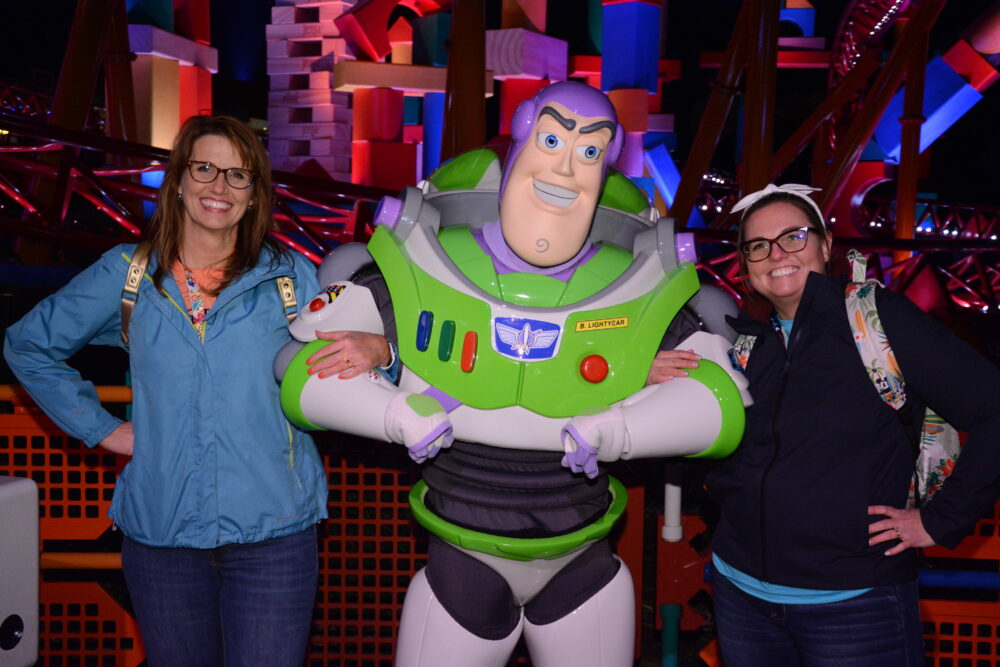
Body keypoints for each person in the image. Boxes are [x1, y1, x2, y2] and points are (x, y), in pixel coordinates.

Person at [277, 81, 752, 666]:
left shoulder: (635, 288)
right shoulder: (428, 266)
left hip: (583, 563)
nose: (565, 169)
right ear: (523, 139)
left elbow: (721, 400)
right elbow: (299, 372)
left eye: (588, 154)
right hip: (459, 562)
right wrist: (393, 406)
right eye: (552, 140)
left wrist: (623, 422)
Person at [2, 115, 382, 666]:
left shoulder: (289, 278)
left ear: (255, 196)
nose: (219, 187)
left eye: (238, 175)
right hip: (162, 534)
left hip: (273, 533)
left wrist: (379, 352)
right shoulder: (126, 274)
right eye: (204, 168)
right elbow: (27, 345)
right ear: (178, 179)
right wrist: (101, 427)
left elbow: (372, 379)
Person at [682, 183, 1000, 666]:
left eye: (794, 236)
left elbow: (993, 406)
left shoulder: (878, 321)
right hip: (740, 594)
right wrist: (660, 374)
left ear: (826, 246)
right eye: (758, 246)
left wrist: (941, 521)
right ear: (745, 267)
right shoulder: (745, 343)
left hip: (856, 606)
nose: (777, 255)